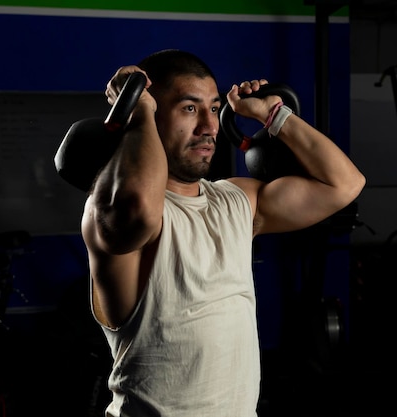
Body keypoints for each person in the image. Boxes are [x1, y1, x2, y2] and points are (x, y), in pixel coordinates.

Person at [81, 49, 366, 417]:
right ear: (150, 110)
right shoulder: (108, 209)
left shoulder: (237, 199)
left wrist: (274, 115)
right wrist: (136, 114)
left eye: (214, 109)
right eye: (189, 108)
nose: (209, 126)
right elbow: (139, 211)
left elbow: (344, 184)